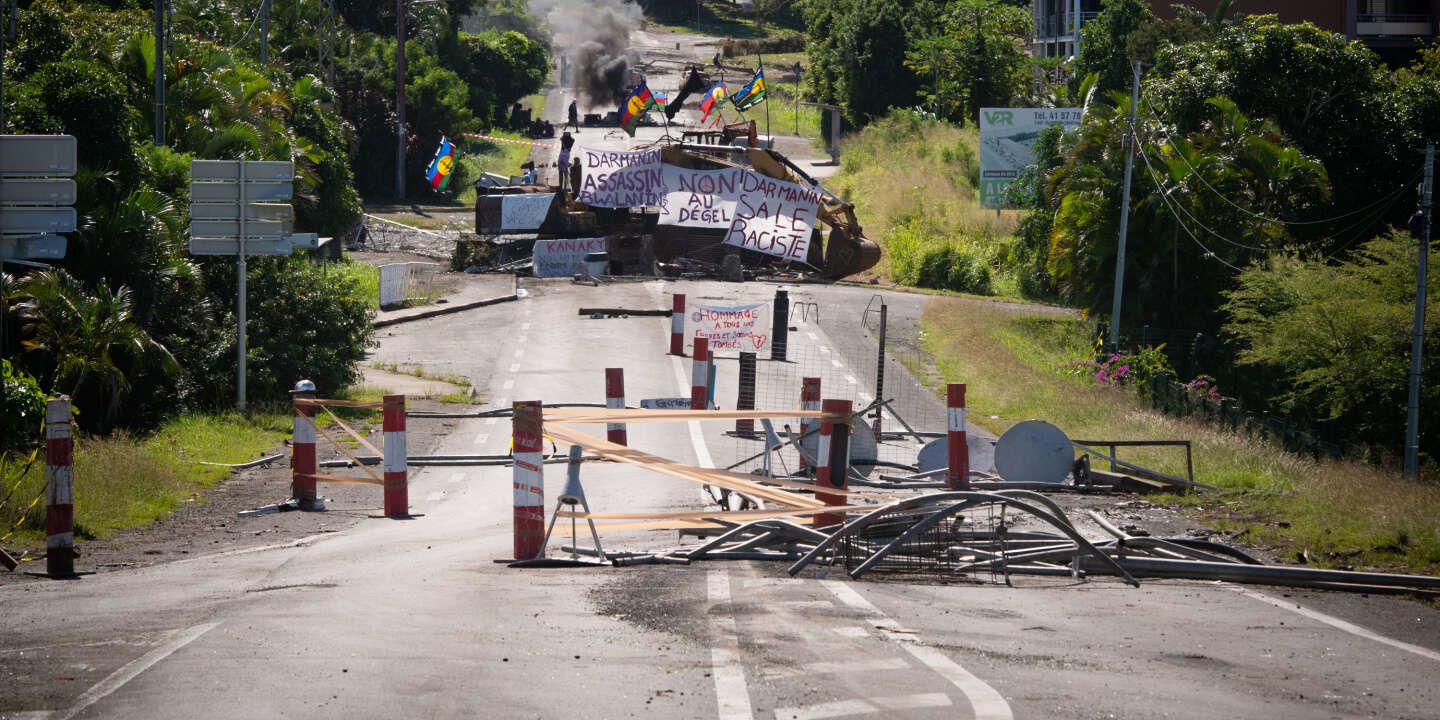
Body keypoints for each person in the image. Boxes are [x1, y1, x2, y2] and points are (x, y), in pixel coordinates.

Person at [558, 131, 575, 196]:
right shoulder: (571, 140)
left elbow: (562, 138)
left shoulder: (564, 139)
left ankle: (563, 187)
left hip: (563, 155)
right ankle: (563, 187)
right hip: (565, 155)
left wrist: (563, 137)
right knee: (563, 172)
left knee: (563, 173)